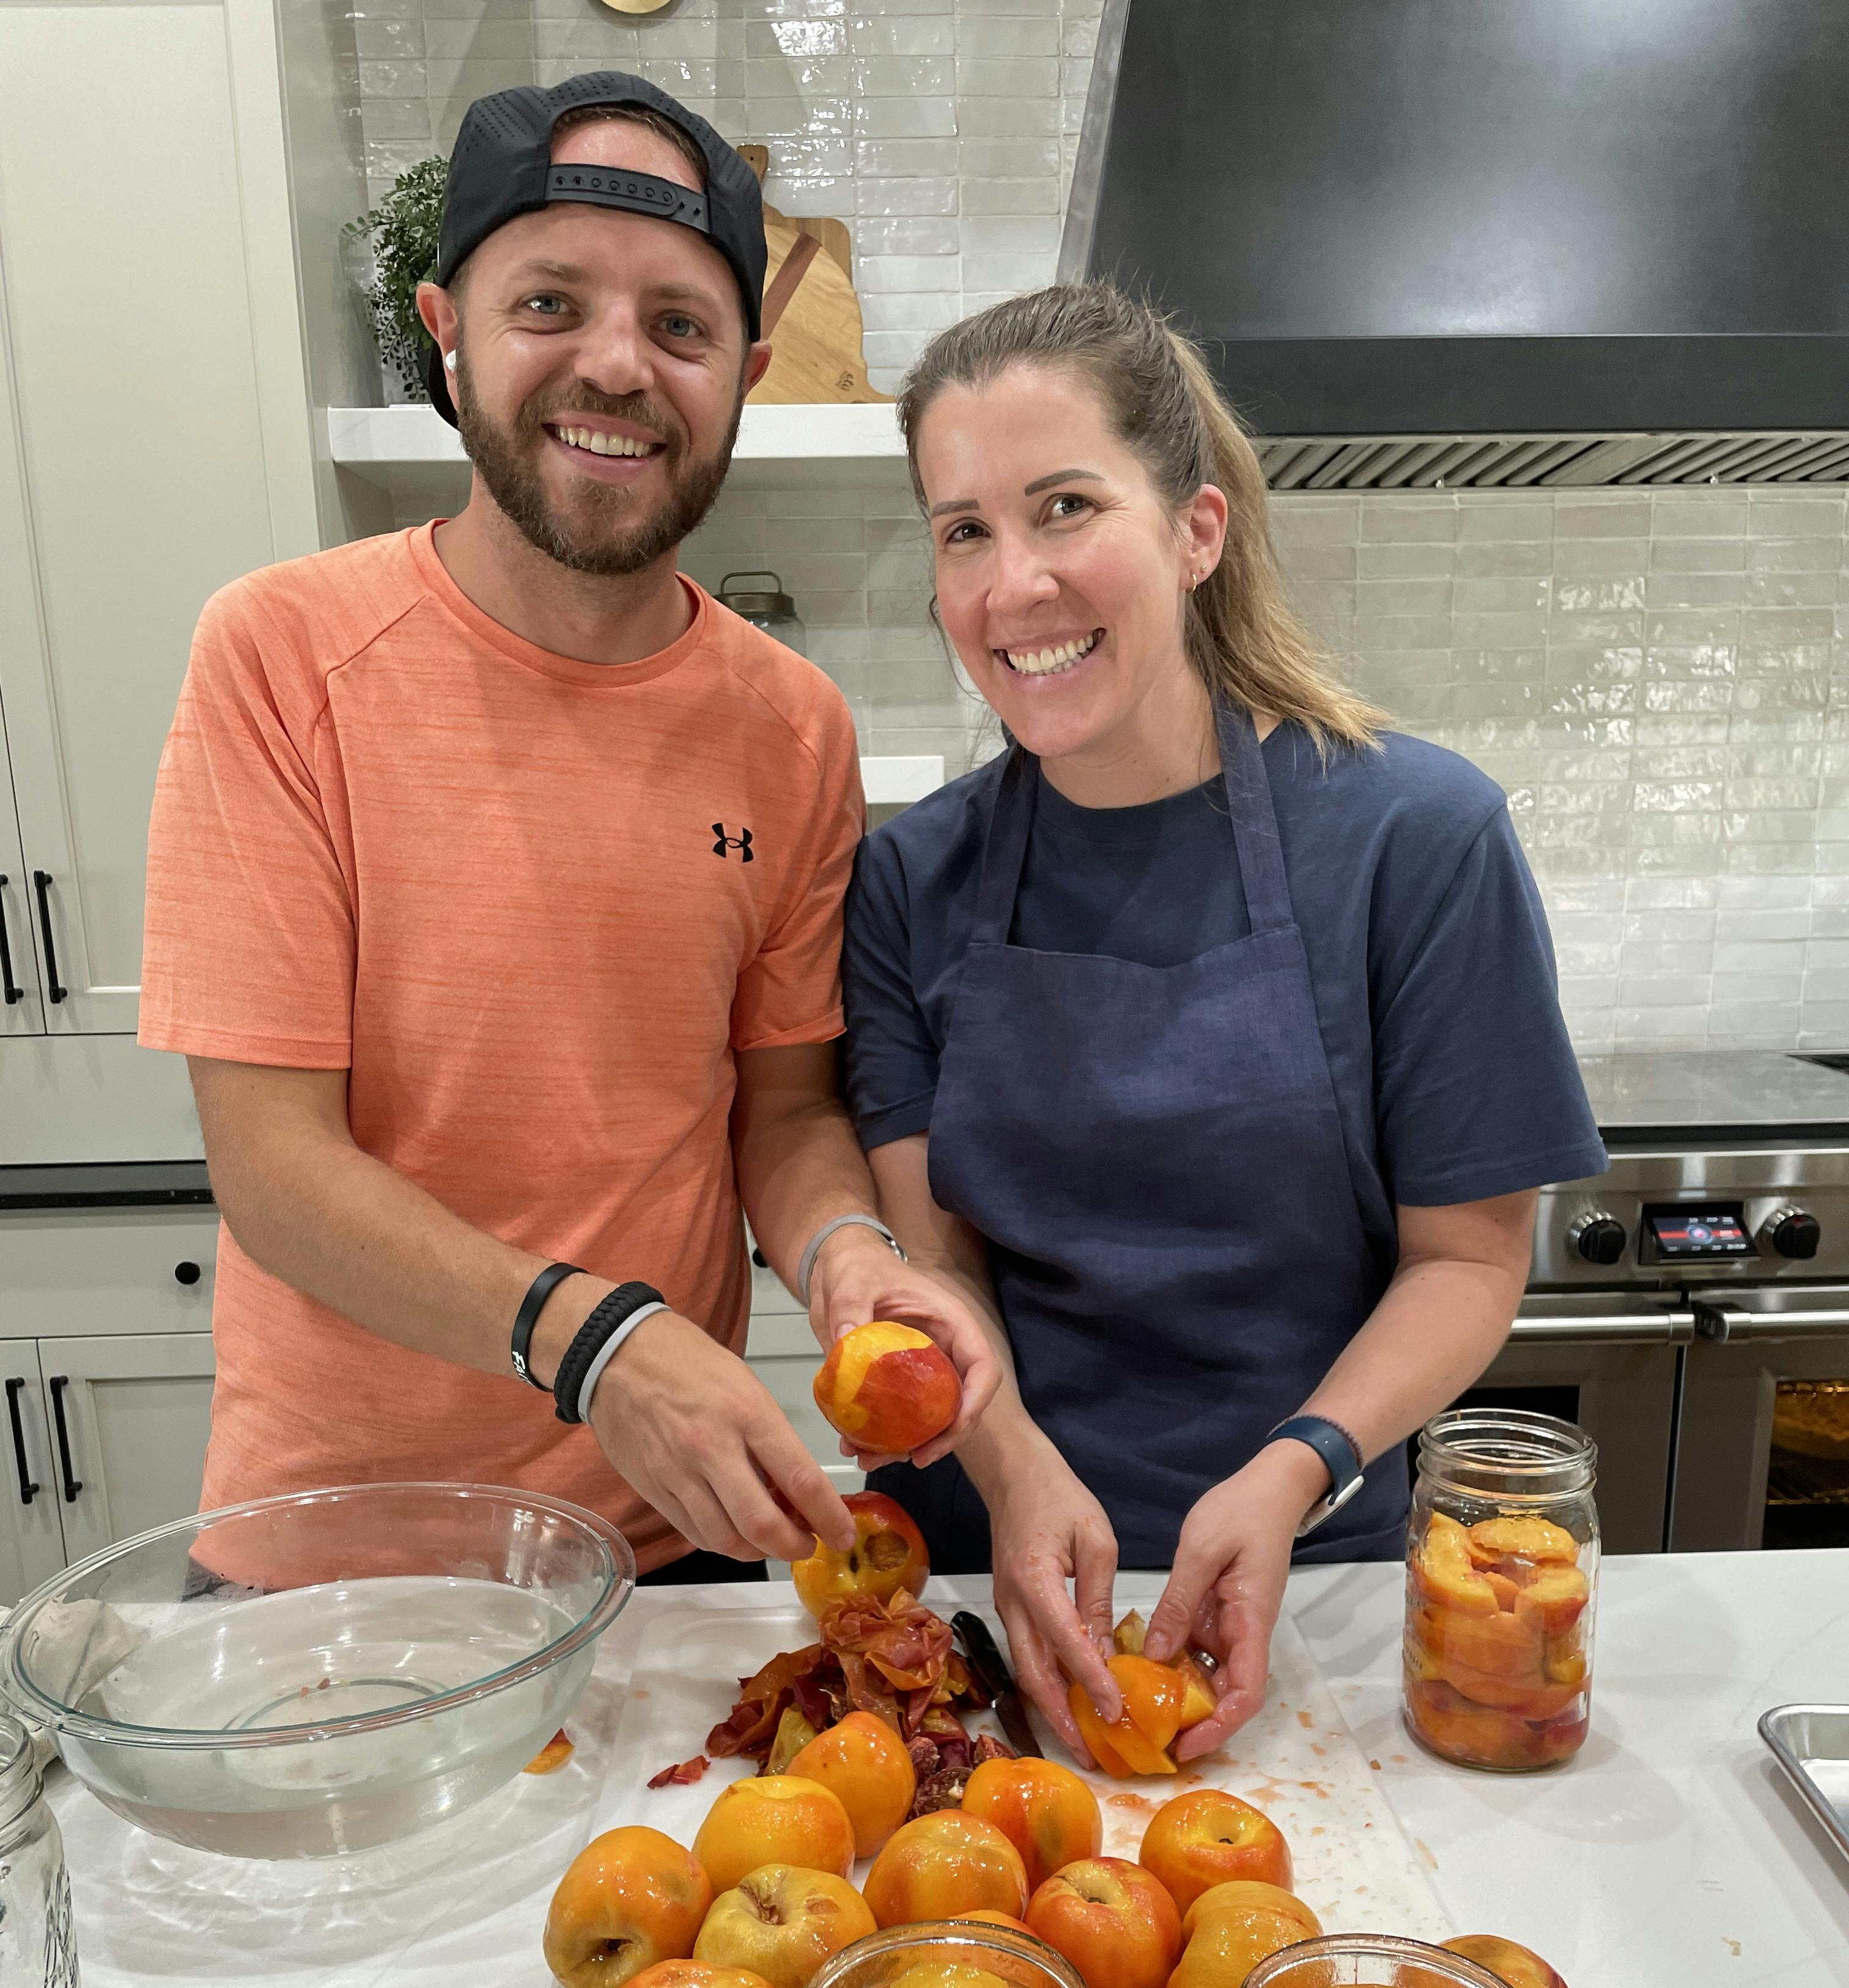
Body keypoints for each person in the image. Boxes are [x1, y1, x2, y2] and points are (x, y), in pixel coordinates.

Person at [138, 73, 997, 1583]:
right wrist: (592, 1343)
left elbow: (783, 1114)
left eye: (680, 326)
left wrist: (847, 1254)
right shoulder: (281, 656)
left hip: (663, 1550)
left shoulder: (793, 729)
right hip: (333, 1564)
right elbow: (272, 1168)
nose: (616, 366)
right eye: (549, 303)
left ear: (744, 374)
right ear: (446, 329)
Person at [842, 284, 1607, 1757]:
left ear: (1197, 532)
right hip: (978, 1583)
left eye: (1066, 508)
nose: (1012, 585)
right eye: (964, 530)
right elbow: (933, 1263)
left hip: (1312, 1573)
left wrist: (1293, 1469)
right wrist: (1012, 1475)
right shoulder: (908, 879)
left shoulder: (1416, 840)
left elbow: (1467, 1259)